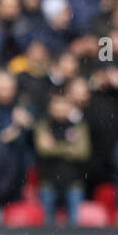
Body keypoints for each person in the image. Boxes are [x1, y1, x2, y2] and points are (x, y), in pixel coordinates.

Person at [35, 92, 90, 226]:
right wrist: (69, 147)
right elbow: (43, 150)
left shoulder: (79, 126)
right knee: (47, 229)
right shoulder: (43, 126)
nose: (60, 110)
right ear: (50, 108)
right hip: (48, 182)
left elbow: (82, 152)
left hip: (73, 182)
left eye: (64, 106)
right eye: (57, 106)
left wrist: (55, 146)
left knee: (75, 228)